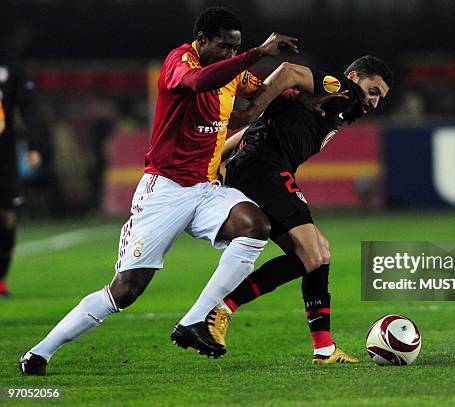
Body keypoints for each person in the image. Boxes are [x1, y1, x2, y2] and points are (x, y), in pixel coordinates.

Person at [20, 6, 300, 376]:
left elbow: (265, 92)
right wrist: (258, 53)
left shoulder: (234, 72)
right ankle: (40, 352)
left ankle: (194, 321)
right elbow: (198, 83)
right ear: (201, 41)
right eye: (223, 46)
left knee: (256, 226)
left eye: (236, 48)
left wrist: (310, 99)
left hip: (206, 188)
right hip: (164, 190)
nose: (230, 54)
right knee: (126, 290)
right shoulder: (178, 62)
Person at [216, 55, 392, 364]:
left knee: (317, 253)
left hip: (258, 168)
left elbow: (257, 128)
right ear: (355, 76)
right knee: (314, 253)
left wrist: (219, 157)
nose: (374, 103)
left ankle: (323, 348)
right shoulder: (343, 90)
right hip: (265, 170)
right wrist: (252, 110)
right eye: (373, 91)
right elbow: (288, 71)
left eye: (380, 98)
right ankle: (222, 307)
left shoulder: (333, 107)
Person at [0, 48, 46, 298]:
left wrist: (35, 144)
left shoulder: (11, 64)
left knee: (7, 218)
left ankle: (1, 277)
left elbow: (28, 107)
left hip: (4, 154)